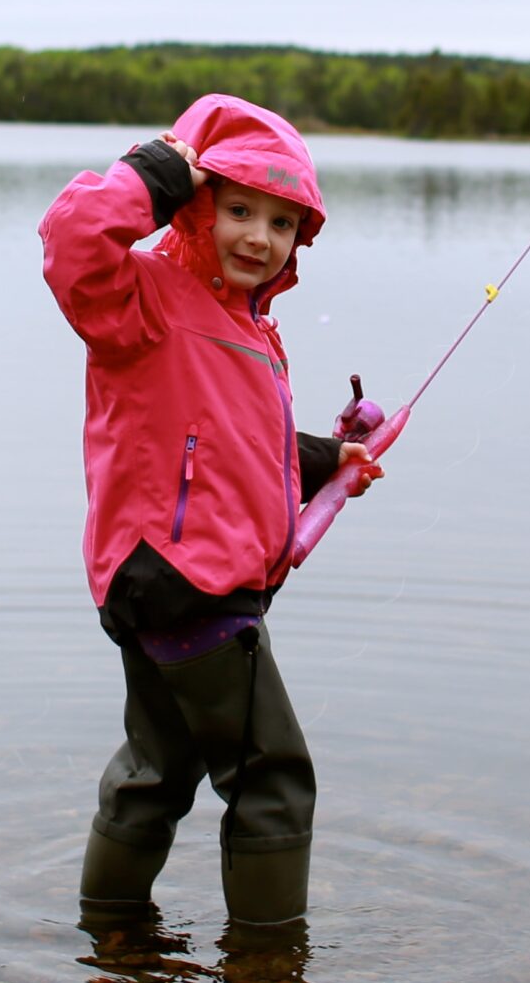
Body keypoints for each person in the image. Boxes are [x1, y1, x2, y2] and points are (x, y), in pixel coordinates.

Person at [38, 94, 380, 930]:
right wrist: (152, 172)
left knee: (160, 767)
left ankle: (111, 946)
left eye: (281, 221)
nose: (259, 237)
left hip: (163, 579)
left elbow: (221, 439)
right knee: (272, 780)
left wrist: (322, 461)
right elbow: (72, 245)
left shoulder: (243, 325)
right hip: (187, 580)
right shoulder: (144, 296)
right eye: (237, 209)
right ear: (195, 205)